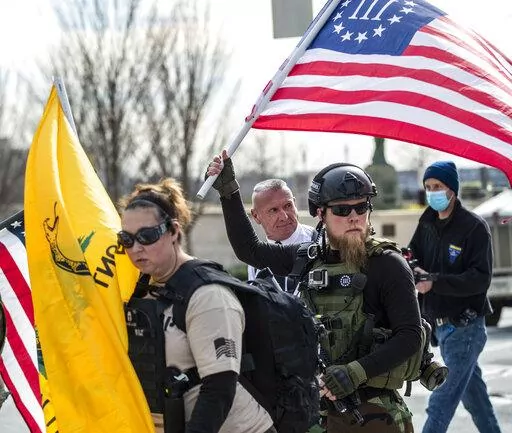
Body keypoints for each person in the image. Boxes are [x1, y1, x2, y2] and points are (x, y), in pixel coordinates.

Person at [207, 152, 423, 433]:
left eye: (361, 207)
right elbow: (250, 251)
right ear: (321, 213)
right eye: (342, 210)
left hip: (374, 413)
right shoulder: (306, 257)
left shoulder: (387, 264)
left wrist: (354, 372)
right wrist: (229, 191)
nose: (354, 217)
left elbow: (410, 335)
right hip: (317, 413)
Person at [118, 178, 275, 433]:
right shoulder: (139, 291)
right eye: (126, 239)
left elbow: (220, 388)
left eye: (147, 236)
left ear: (173, 231)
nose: (136, 248)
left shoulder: (208, 295)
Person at [408, 161, 502, 433]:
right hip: (440, 327)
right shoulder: (426, 221)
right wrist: (413, 268)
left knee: (442, 398)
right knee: (477, 400)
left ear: (453, 189)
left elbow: (480, 279)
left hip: (466, 326)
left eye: (437, 186)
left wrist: (433, 283)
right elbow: (412, 255)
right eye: (428, 187)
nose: (432, 192)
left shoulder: (473, 227)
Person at [247, 178, 315, 292]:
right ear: (256, 216)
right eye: (273, 210)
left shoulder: (319, 242)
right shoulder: (255, 262)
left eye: (288, 206)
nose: (284, 217)